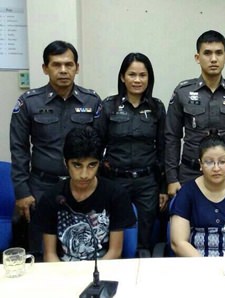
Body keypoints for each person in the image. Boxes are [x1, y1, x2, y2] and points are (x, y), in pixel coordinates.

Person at [9, 40, 102, 258]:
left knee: (79, 249)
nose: (63, 70)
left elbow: (100, 145)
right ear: (45, 68)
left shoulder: (92, 100)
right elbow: (19, 149)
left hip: (82, 186)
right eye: (56, 65)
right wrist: (22, 191)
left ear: (77, 68)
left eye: (69, 65)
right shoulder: (29, 102)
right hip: (42, 187)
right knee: (40, 251)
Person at [165, 30, 225, 197]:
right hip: (189, 173)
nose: (213, 59)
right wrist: (171, 178)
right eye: (207, 53)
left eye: (219, 53)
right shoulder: (183, 91)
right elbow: (171, 136)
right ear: (197, 57)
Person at [33, 126, 136, 261]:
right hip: (63, 272)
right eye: (77, 165)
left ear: (100, 164)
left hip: (102, 271)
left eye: (92, 165)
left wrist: (92, 279)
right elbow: (49, 254)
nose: (84, 175)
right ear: (66, 163)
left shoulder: (116, 195)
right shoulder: (52, 197)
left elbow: (115, 251)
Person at [97, 53, 167, 250]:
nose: (137, 80)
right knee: (114, 233)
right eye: (132, 74)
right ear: (122, 77)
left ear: (149, 78)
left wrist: (163, 187)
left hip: (147, 183)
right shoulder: (109, 106)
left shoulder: (157, 107)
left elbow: (163, 149)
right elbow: (97, 145)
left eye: (143, 75)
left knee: (145, 236)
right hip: (115, 181)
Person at [170, 130, 225, 257]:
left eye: (222, 161)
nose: (216, 168)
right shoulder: (187, 193)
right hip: (197, 264)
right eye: (209, 162)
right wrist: (206, 267)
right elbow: (178, 242)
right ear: (200, 164)